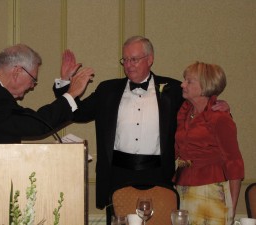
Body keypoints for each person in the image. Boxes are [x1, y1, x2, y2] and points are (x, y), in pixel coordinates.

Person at [54, 36, 229, 224]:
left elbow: (200, 108)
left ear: (150, 59)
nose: (128, 65)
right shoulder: (108, 90)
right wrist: (65, 83)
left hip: (158, 173)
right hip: (117, 174)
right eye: (125, 60)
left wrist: (218, 105)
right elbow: (77, 112)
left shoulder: (173, 90)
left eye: (134, 59)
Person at [0, 44, 94, 144]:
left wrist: (66, 86)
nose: (32, 86)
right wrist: (71, 93)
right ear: (17, 72)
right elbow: (36, 124)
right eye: (33, 79)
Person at [173, 62, 244, 225]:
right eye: (184, 80)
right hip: (184, 188)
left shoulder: (219, 118)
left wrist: (230, 210)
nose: (182, 84)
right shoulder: (184, 113)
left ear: (205, 86)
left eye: (189, 81)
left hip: (211, 192)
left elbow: (234, 164)